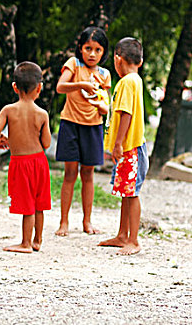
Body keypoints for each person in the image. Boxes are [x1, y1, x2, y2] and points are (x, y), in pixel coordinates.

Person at [0, 61, 52, 253]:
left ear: (14, 87)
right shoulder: (42, 114)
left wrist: (1, 139)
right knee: (39, 204)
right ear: (39, 88)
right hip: (40, 162)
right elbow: (47, 143)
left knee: (27, 205)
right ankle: (37, 240)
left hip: (20, 163)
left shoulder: (8, 110)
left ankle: (25, 243)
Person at [54, 27, 111, 236]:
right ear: (80, 48)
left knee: (88, 174)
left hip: (94, 127)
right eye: (88, 48)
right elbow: (60, 87)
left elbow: (106, 105)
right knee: (70, 174)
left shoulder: (105, 74)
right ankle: (64, 222)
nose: (92, 54)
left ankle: (87, 222)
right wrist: (81, 85)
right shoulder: (73, 64)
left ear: (104, 52)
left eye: (97, 50)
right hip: (70, 124)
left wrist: (102, 107)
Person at [98, 38, 147, 256]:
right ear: (141, 60)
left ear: (117, 59)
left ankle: (133, 240)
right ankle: (122, 235)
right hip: (130, 147)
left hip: (131, 147)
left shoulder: (127, 82)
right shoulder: (135, 80)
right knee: (126, 192)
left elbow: (125, 113)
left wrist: (118, 143)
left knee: (132, 192)